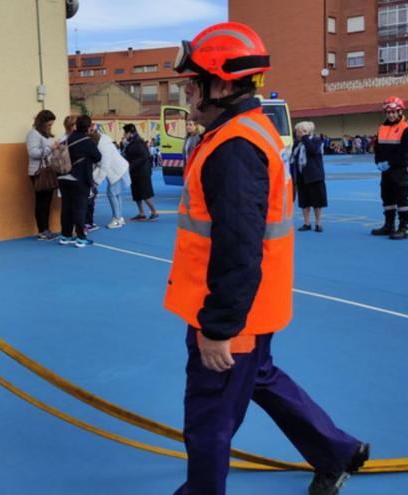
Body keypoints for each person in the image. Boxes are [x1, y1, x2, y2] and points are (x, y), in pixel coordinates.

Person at [164, 22, 369, 495]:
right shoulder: (246, 132)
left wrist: (218, 329)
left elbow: (238, 247)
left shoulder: (234, 148)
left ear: (220, 85)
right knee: (261, 379)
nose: (188, 94)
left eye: (194, 84)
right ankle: (335, 452)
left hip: (232, 317)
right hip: (254, 310)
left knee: (208, 420)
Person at [372, 96, 408, 240]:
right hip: (385, 170)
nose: (391, 115)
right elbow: (378, 147)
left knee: (401, 199)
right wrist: (378, 161)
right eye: (388, 112)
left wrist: (390, 163)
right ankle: (389, 225)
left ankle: (403, 228)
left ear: (400, 112)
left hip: (399, 169)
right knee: (387, 197)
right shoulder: (382, 127)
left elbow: (406, 152)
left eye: (394, 112)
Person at [56, 114, 101, 248]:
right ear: (88, 127)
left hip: (63, 177)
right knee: (79, 208)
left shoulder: (66, 138)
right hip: (79, 178)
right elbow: (98, 157)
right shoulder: (88, 141)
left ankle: (65, 236)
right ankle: (81, 238)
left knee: (66, 208)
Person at [290, 121, 328, 232]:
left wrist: (305, 137)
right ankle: (306, 223)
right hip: (302, 176)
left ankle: (318, 223)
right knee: (304, 201)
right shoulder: (297, 144)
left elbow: (312, 150)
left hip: (315, 176)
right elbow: (293, 159)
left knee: (317, 201)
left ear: (305, 131)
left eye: (298, 130)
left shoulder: (316, 140)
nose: (296, 132)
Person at [27, 110, 59, 240]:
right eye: (49, 124)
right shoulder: (33, 134)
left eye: (51, 125)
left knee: (47, 202)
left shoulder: (46, 134)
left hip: (48, 171)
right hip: (38, 172)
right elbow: (33, 153)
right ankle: (42, 231)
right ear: (42, 122)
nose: (50, 126)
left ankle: (46, 229)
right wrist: (50, 149)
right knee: (41, 202)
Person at [89, 128, 131, 229]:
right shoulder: (104, 141)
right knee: (116, 194)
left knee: (111, 193)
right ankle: (119, 218)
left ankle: (117, 219)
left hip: (118, 172)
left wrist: (96, 182)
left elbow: (104, 167)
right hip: (120, 170)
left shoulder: (103, 148)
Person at [122, 123, 158, 221]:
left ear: (130, 132)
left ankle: (154, 212)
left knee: (145, 193)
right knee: (137, 193)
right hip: (135, 172)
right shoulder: (132, 141)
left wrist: (131, 165)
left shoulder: (138, 141)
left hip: (141, 172)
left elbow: (143, 156)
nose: (124, 135)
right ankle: (141, 213)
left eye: (125, 133)